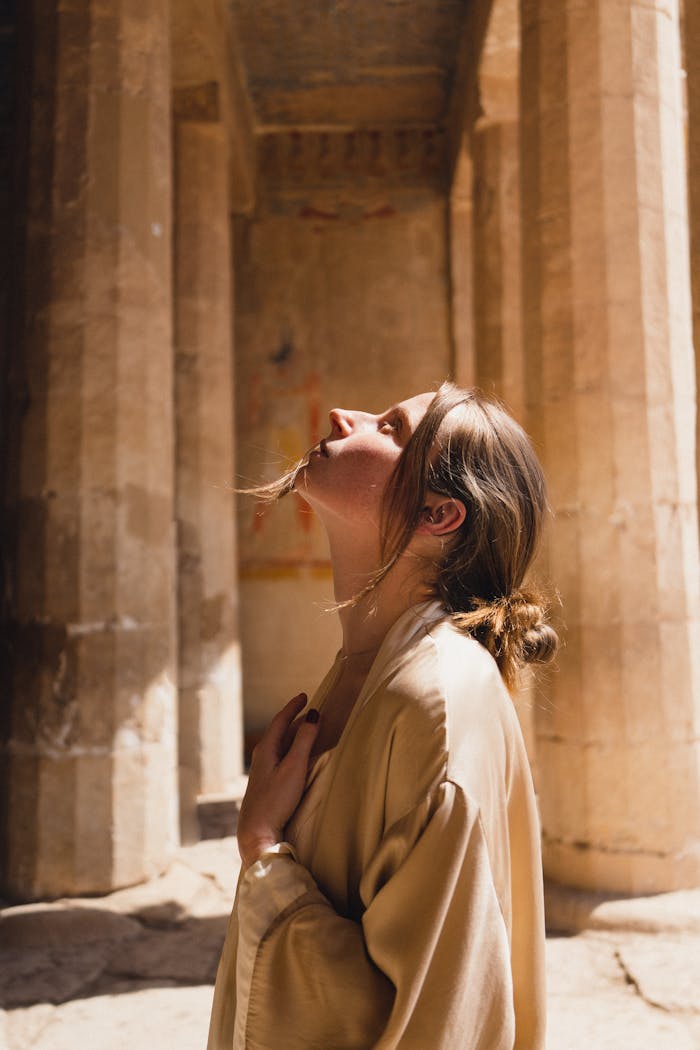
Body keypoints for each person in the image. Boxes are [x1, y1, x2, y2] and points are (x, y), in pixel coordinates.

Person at [207, 381, 557, 1050]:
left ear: (439, 515)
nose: (344, 415)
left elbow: (424, 1022)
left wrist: (261, 846)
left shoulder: (433, 700)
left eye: (392, 428)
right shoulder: (371, 666)